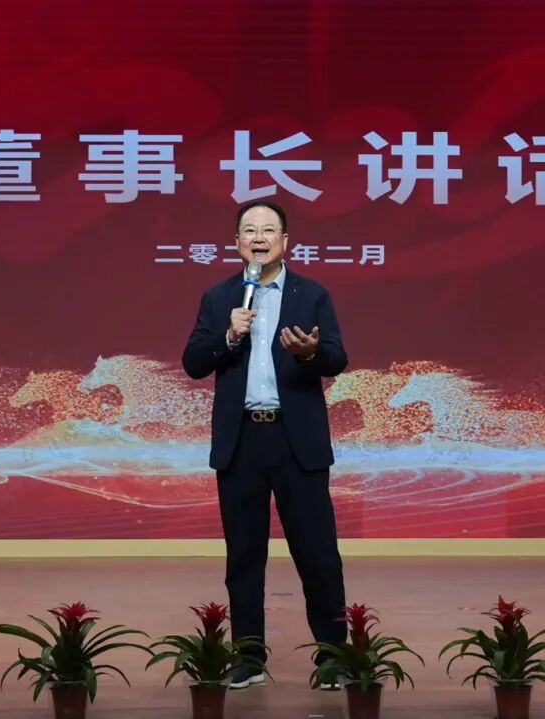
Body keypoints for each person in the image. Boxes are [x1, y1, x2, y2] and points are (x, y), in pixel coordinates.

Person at [182, 201, 348, 690]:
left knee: (317, 555)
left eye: (269, 230)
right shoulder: (219, 297)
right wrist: (228, 337)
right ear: (237, 242)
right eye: (249, 230)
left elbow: (336, 356)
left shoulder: (311, 294)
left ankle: (333, 657)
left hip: (297, 442)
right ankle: (249, 658)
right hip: (242, 442)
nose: (259, 237)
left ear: (285, 241)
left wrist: (311, 354)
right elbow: (193, 361)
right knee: (244, 557)